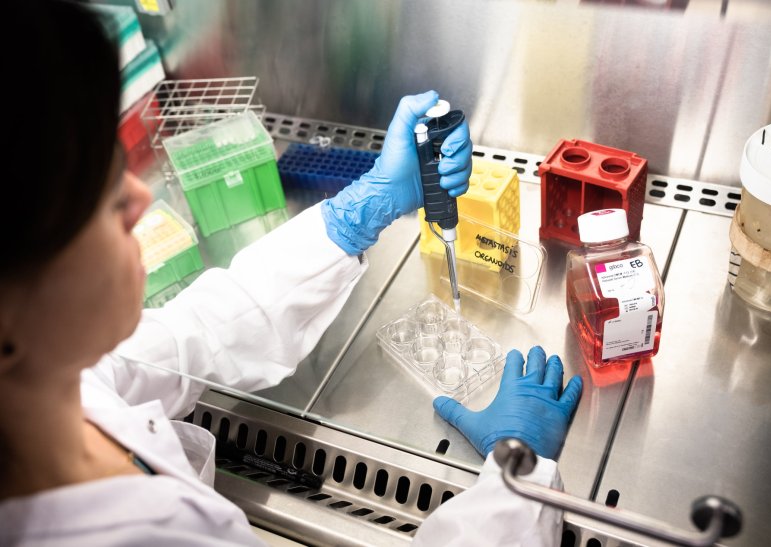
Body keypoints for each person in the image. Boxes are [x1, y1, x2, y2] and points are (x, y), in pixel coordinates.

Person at [0, 2, 582, 545]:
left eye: (117, 171)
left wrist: (361, 210)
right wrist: (517, 478)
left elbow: (196, 332)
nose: (138, 198)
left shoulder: (53, 381)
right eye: (99, 199)